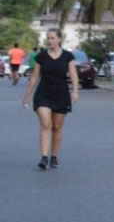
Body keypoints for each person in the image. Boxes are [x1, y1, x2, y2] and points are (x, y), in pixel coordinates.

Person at [21, 29, 79, 169]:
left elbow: (73, 75)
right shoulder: (41, 56)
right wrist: (27, 95)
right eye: (48, 38)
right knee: (46, 124)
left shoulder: (67, 56)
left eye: (53, 38)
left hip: (61, 94)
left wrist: (75, 92)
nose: (50, 41)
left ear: (59, 39)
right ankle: (44, 158)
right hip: (43, 94)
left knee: (57, 127)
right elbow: (35, 77)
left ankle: (54, 157)